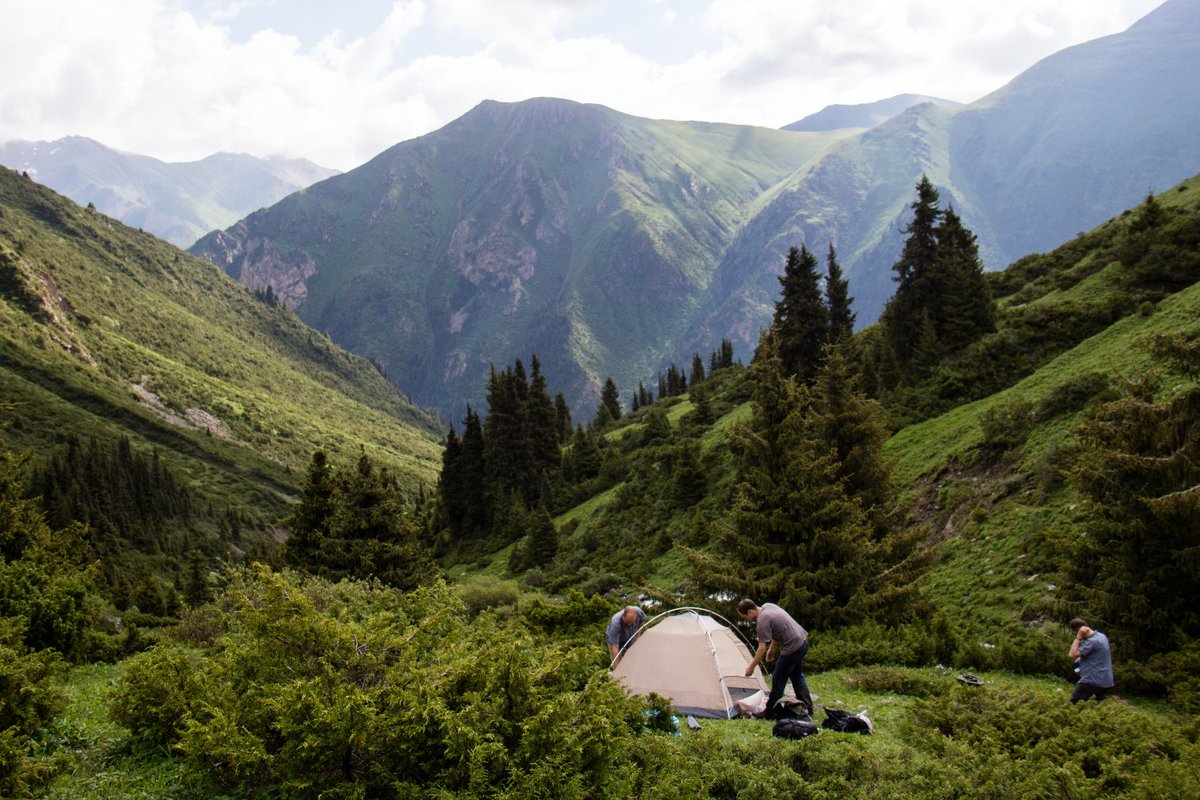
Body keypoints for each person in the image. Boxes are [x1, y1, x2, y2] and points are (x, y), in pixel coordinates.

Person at [738, 598, 814, 717]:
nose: (746, 620)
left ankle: (769, 712)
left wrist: (751, 668)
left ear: (750, 612)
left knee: (778, 679)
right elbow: (778, 628)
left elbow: (761, 649)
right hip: (802, 642)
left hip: (792, 647)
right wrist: (772, 649)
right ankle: (808, 709)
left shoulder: (762, 621)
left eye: (745, 617)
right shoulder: (768, 606)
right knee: (797, 676)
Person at [1068, 618, 1114, 703]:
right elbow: (1094, 655)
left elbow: (1071, 654)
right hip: (1105, 682)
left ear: (1080, 631)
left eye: (1075, 634)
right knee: (1095, 708)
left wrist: (1078, 638)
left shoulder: (1092, 641)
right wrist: (1078, 669)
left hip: (1091, 682)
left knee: (1071, 706)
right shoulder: (1102, 636)